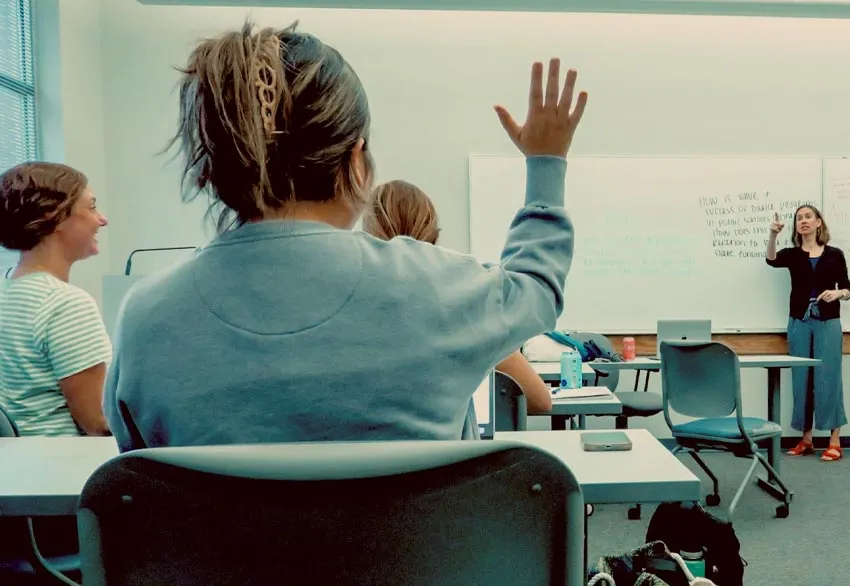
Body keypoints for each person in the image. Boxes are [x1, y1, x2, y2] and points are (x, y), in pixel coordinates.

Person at [102, 21, 587, 451]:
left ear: (216, 169)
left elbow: (142, 473)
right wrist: (545, 164)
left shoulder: (145, 317)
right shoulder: (436, 287)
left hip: (213, 558)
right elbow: (537, 290)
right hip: (417, 556)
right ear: (356, 161)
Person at [362, 179, 553, 417]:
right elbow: (539, 400)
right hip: (453, 452)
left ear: (367, 236)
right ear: (434, 236)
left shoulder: (346, 309)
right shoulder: (467, 304)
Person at [0, 162, 111, 436]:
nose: (102, 219)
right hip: (65, 467)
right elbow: (98, 423)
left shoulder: (7, 294)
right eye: (92, 206)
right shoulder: (65, 304)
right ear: (55, 215)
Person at [766, 205, 850, 462]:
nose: (803, 221)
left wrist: (837, 293)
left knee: (829, 377)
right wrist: (772, 235)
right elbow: (771, 259)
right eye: (799, 218)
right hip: (799, 321)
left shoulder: (835, 254)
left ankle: (835, 441)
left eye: (808, 217)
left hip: (828, 321)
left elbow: (847, 288)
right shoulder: (792, 255)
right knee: (801, 378)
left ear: (818, 223)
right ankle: (806, 439)